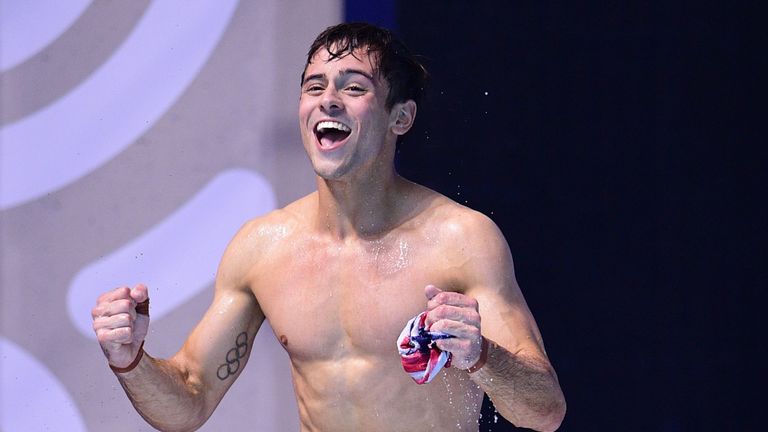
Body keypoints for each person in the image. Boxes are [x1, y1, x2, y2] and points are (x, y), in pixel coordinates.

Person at [91, 22, 566, 431]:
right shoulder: (263, 248)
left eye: (354, 88)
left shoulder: (460, 240)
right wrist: (130, 360)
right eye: (314, 87)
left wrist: (481, 354)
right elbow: (189, 402)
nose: (328, 102)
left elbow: (544, 412)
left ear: (401, 117)